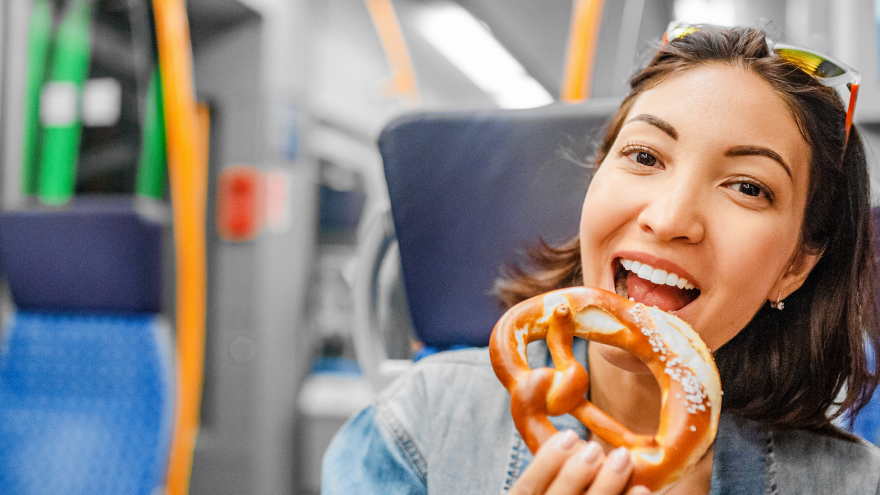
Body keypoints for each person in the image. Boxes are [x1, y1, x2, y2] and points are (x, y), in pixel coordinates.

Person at [321, 22, 880, 494]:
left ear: (795, 266)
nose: (669, 219)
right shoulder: (420, 423)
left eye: (747, 188)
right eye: (643, 155)